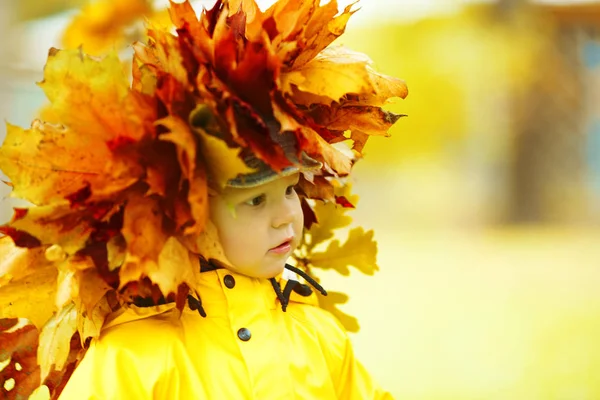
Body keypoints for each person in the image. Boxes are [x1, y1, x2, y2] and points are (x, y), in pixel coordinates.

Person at [0, 0, 408, 398]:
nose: (286, 216)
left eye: (288, 190)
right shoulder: (134, 356)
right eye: (254, 201)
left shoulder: (321, 341)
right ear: (189, 217)